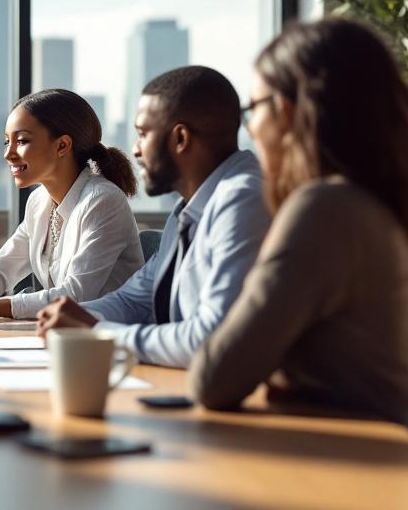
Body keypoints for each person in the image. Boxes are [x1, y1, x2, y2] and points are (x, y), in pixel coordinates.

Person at [190, 18, 408, 425]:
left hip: (357, 456)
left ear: (286, 110)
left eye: (253, 109)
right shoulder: (373, 204)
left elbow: (213, 377)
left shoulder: (326, 208)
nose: (250, 127)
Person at [36, 66, 271, 368]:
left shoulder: (244, 201)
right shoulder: (187, 210)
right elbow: (136, 299)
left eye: (143, 134)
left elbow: (213, 339)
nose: (135, 150)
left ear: (180, 138)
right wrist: (75, 317)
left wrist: (97, 332)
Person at [0, 89, 143, 321]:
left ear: (62, 146)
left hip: (113, 336)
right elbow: (1, 272)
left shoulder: (103, 201)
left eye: (21, 141)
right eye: (7, 142)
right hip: (68, 334)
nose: (8, 154)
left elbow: (77, 295)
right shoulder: (39, 202)